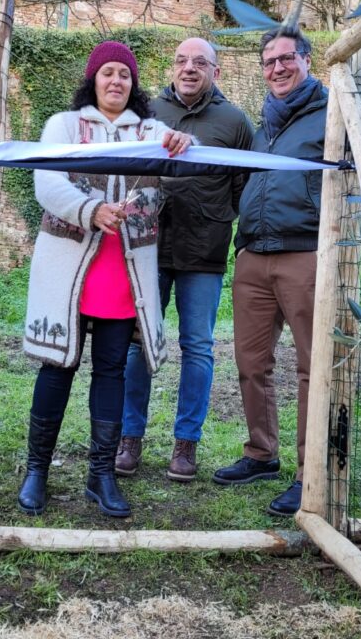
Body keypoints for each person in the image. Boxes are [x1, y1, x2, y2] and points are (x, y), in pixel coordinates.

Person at [16, 40, 192, 519]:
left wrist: (183, 143)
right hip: (70, 266)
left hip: (123, 271)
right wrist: (91, 210)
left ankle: (101, 475)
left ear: (134, 85)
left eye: (125, 75)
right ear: (93, 78)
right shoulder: (64, 125)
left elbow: (181, 151)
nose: (117, 81)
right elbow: (46, 180)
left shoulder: (152, 129)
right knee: (58, 367)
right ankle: (37, 470)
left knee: (111, 369)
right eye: (108, 72)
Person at [117, 38, 253, 482]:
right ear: (172, 68)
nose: (189, 68)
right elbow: (127, 171)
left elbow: (243, 188)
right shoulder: (148, 113)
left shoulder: (234, 121)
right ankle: (129, 437)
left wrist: (217, 219)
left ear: (216, 69)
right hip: (149, 248)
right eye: (181, 61)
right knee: (140, 342)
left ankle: (185, 445)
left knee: (198, 346)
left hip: (204, 252)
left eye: (199, 62)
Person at [213, 27, 327, 517]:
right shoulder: (266, 123)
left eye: (286, 59)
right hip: (253, 255)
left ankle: (311, 473)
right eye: (268, 62)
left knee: (312, 369)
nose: (277, 68)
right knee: (251, 362)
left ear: (306, 59)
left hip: (304, 254)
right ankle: (261, 454)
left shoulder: (331, 113)